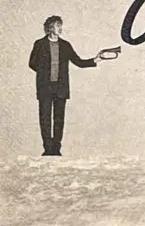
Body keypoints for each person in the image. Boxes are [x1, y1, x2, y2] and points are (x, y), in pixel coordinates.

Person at [28, 15, 104, 156]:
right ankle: (48, 149)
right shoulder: (39, 44)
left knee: (59, 119)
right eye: (57, 25)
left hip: (61, 87)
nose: (60, 28)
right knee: (44, 118)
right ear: (50, 27)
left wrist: (95, 60)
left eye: (60, 25)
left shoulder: (65, 45)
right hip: (45, 87)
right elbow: (32, 63)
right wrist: (44, 73)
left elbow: (78, 62)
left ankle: (56, 148)